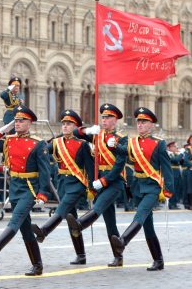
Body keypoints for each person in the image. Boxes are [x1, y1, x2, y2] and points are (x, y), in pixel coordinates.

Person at [0, 106, 50, 276]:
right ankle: (37, 265)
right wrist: (3, 130)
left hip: (29, 188)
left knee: (15, 221)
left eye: (21, 120)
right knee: (25, 229)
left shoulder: (38, 144)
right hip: (14, 187)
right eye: (16, 120)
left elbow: (45, 171)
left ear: (29, 123)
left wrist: (43, 193)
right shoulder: (9, 140)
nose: (18, 123)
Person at [111, 107, 174, 271]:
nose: (139, 124)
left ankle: (123, 241)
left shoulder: (158, 143)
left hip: (152, 187)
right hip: (138, 187)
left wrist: (168, 188)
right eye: (138, 122)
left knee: (140, 215)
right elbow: (125, 152)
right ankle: (158, 260)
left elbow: (166, 168)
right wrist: (114, 145)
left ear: (151, 125)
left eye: (143, 122)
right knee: (148, 226)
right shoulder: (133, 142)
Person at [66, 103, 127, 267]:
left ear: (115, 120)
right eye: (103, 117)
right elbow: (76, 132)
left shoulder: (122, 138)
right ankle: (118, 256)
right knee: (110, 222)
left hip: (114, 181)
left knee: (98, 206)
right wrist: (87, 130)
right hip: (99, 180)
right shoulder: (97, 135)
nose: (104, 120)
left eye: (108, 117)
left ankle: (80, 224)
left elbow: (120, 164)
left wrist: (104, 181)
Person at [31, 109, 94, 265]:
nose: (65, 126)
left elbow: (90, 167)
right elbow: (43, 151)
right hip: (63, 185)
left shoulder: (83, 144)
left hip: (77, 184)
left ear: (75, 126)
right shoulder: (56, 142)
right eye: (64, 124)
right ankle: (81, 255)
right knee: (71, 220)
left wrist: (93, 187)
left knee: (63, 208)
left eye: (69, 124)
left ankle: (44, 230)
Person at [167, 141, 183, 210]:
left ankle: (175, 203)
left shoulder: (176, 154)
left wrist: (181, 156)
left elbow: (181, 162)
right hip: (172, 173)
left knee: (177, 189)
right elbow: (175, 160)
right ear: (169, 148)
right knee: (172, 189)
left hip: (178, 173)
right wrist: (181, 154)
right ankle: (171, 204)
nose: (175, 148)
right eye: (173, 147)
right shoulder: (168, 154)